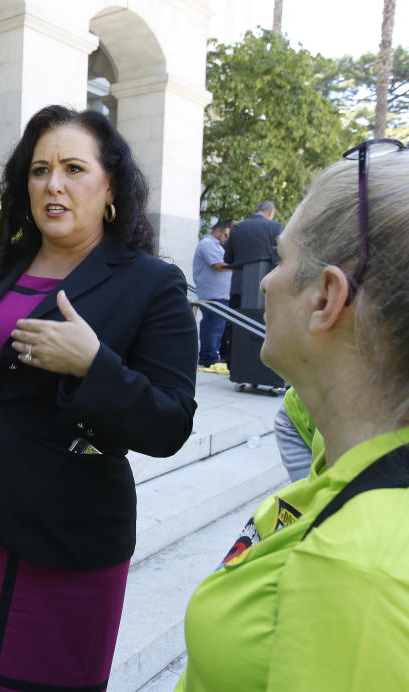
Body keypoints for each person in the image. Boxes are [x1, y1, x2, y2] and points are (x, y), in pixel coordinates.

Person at [0, 105, 198, 690]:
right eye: (40, 169)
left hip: (61, 530)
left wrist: (92, 366)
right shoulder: (8, 258)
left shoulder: (152, 283)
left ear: (111, 186)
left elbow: (169, 423)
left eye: (74, 168)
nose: (54, 184)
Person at [177, 141, 409, 690]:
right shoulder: (343, 452)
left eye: (281, 260)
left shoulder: (359, 569)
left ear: (326, 297)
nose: (265, 282)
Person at [224, 200, 282, 309]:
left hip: (239, 287)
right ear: (270, 213)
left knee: (236, 323)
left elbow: (228, 259)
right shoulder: (276, 227)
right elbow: (281, 256)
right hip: (265, 288)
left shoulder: (236, 228)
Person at [192, 218, 233, 367]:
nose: (227, 239)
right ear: (218, 232)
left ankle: (211, 355)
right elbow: (217, 265)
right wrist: (238, 265)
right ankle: (208, 357)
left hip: (220, 293)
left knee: (217, 327)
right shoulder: (207, 244)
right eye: (226, 235)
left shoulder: (217, 245)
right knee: (213, 326)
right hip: (213, 294)